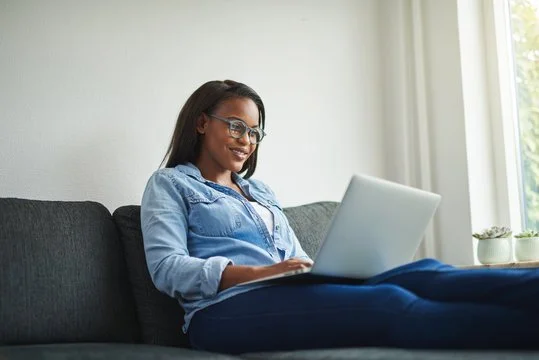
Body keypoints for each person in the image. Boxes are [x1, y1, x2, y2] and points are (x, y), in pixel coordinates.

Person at [141, 80, 539, 354]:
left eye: (255, 132)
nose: (246, 141)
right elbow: (168, 269)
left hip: (286, 292)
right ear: (201, 123)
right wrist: (262, 273)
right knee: (388, 302)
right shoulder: (170, 185)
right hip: (220, 314)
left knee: (425, 273)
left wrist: (318, 270)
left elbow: (295, 260)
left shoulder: (261, 192)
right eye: (236, 127)